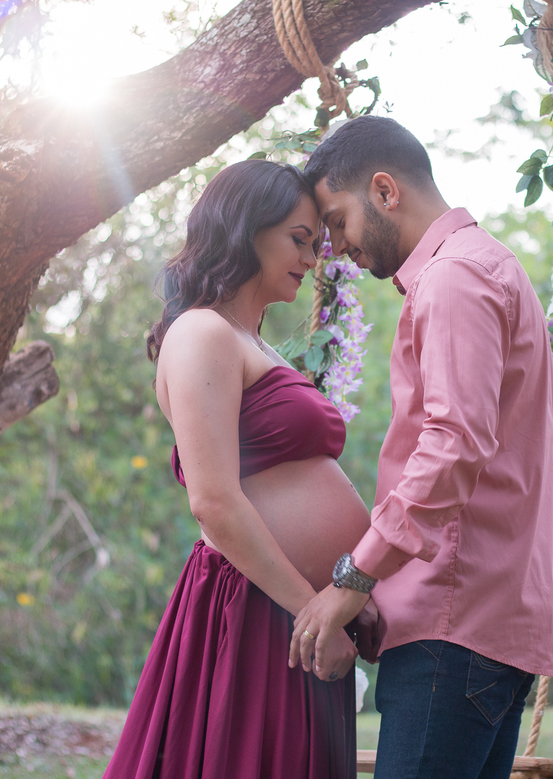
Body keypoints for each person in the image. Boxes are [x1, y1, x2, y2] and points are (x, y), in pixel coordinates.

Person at [290, 116, 553, 779]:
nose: (336, 248)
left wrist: (355, 578)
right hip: (487, 623)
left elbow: (453, 445)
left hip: (454, 626)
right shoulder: (489, 265)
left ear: (385, 191)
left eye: (337, 222)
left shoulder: (453, 279)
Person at [103, 160, 371, 779]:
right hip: (255, 607)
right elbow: (214, 502)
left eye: (316, 243)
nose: (311, 258)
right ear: (245, 230)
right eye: (298, 239)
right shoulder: (202, 333)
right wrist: (315, 614)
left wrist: (345, 600)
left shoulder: (255, 343)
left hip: (295, 613)